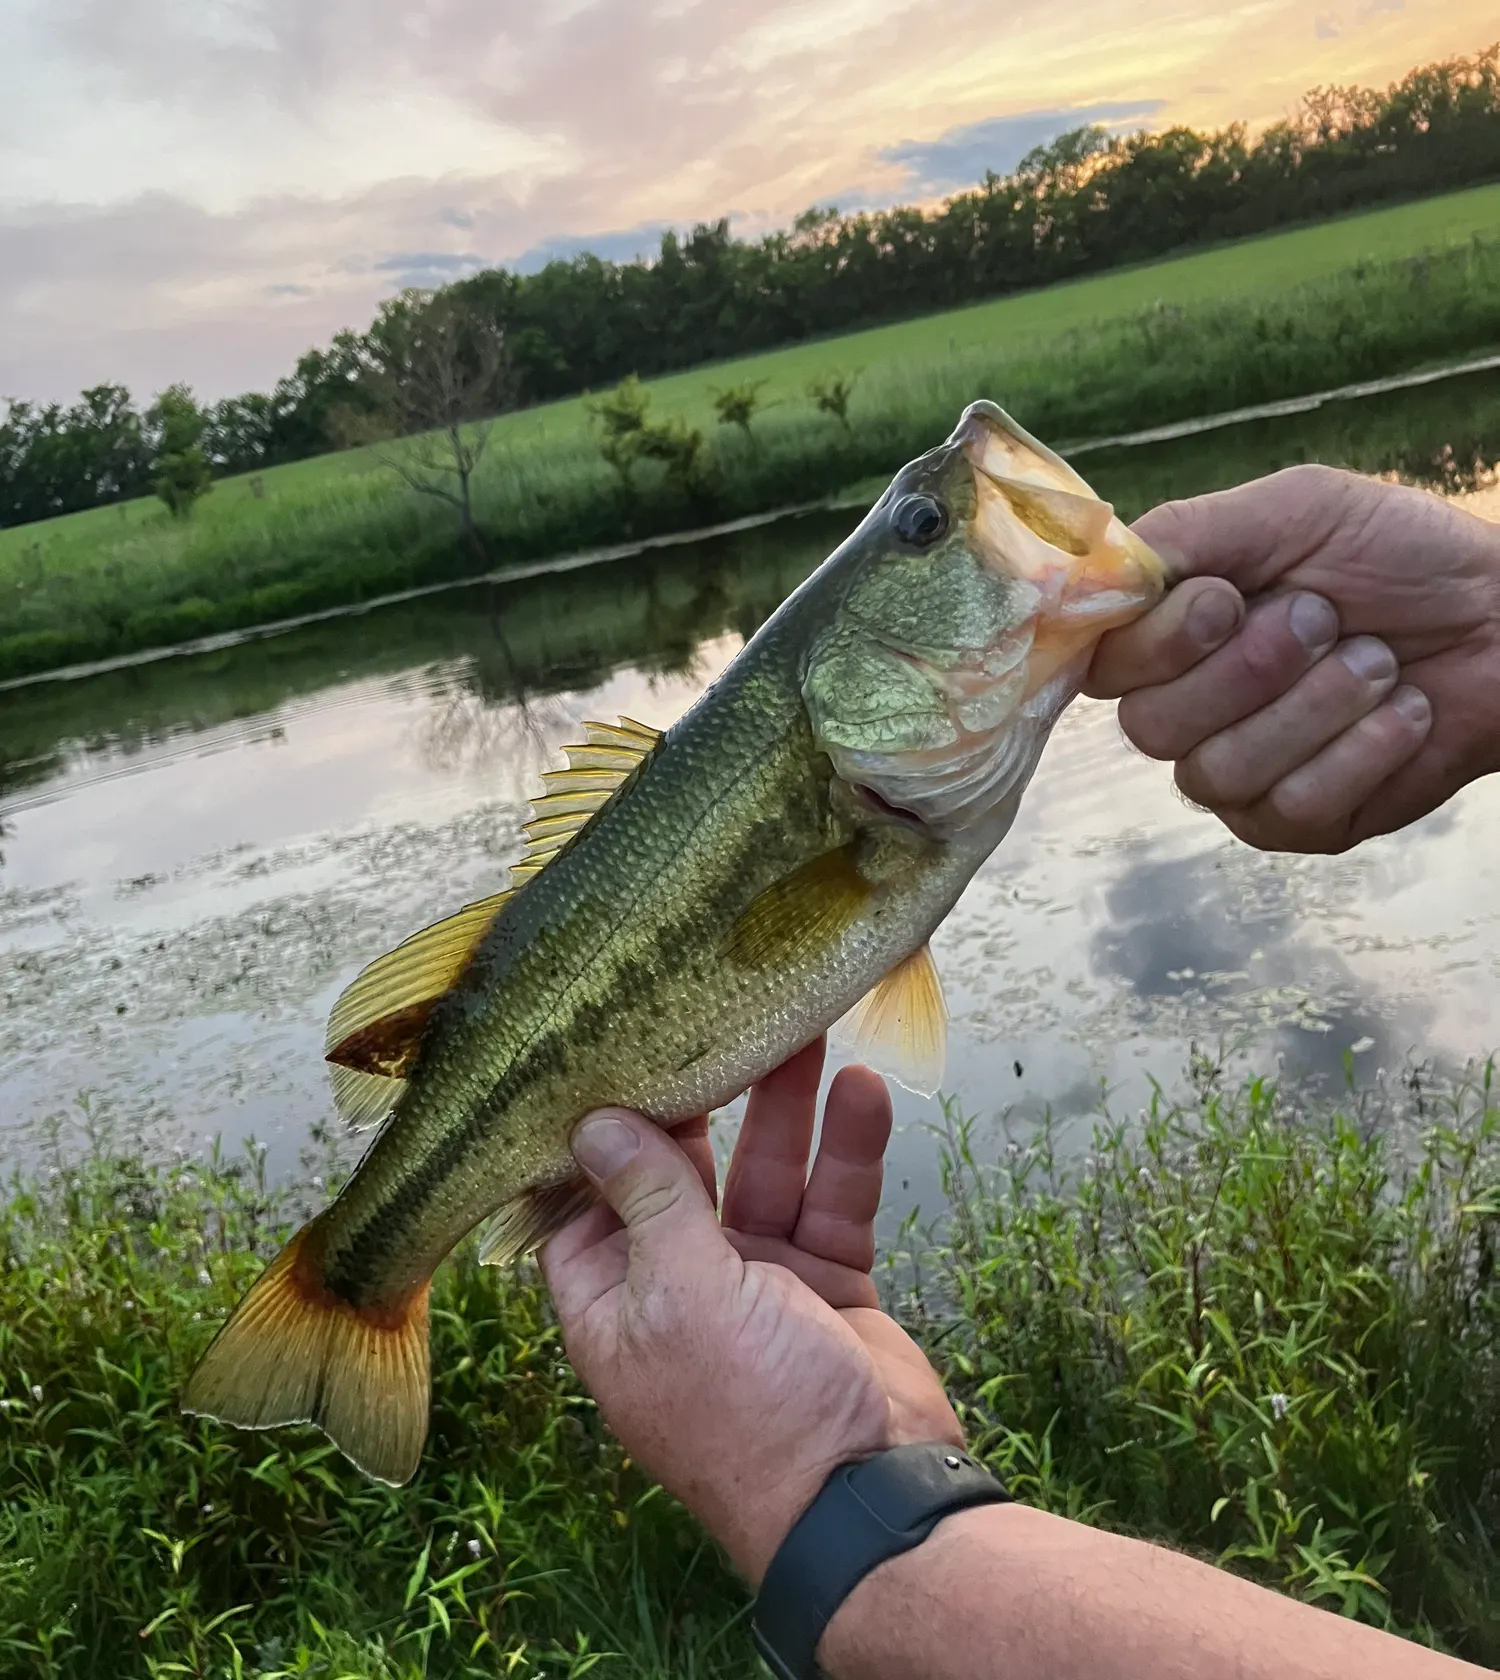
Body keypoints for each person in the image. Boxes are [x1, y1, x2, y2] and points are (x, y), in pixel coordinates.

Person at [541, 466, 1500, 1679]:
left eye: (929, 522)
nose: (968, 509)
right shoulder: (860, 799)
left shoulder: (883, 803)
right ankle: (354, 1289)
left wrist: (817, 1500)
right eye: (931, 531)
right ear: (848, 689)